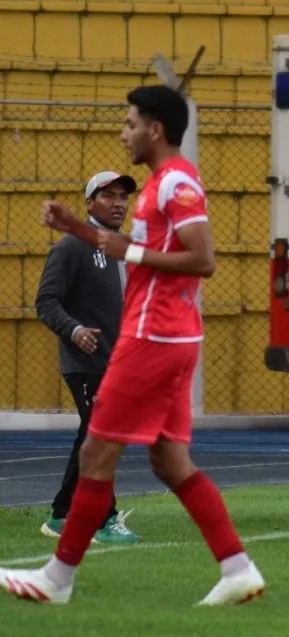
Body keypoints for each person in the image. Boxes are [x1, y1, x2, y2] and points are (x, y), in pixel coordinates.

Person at [0, 85, 264, 605]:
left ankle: (56, 579)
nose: (124, 133)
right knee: (169, 462)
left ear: (155, 129)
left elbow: (202, 259)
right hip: (172, 334)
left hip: (154, 335)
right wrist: (75, 226)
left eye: (129, 124)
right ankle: (238, 568)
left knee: (98, 448)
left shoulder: (176, 184)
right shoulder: (162, 184)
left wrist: (134, 252)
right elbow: (129, 248)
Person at [34, 171, 141, 545]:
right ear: (89, 202)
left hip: (116, 361)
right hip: (86, 362)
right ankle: (102, 518)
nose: (118, 203)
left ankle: (63, 513)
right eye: (108, 195)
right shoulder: (71, 248)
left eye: (123, 196)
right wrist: (75, 330)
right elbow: (45, 302)